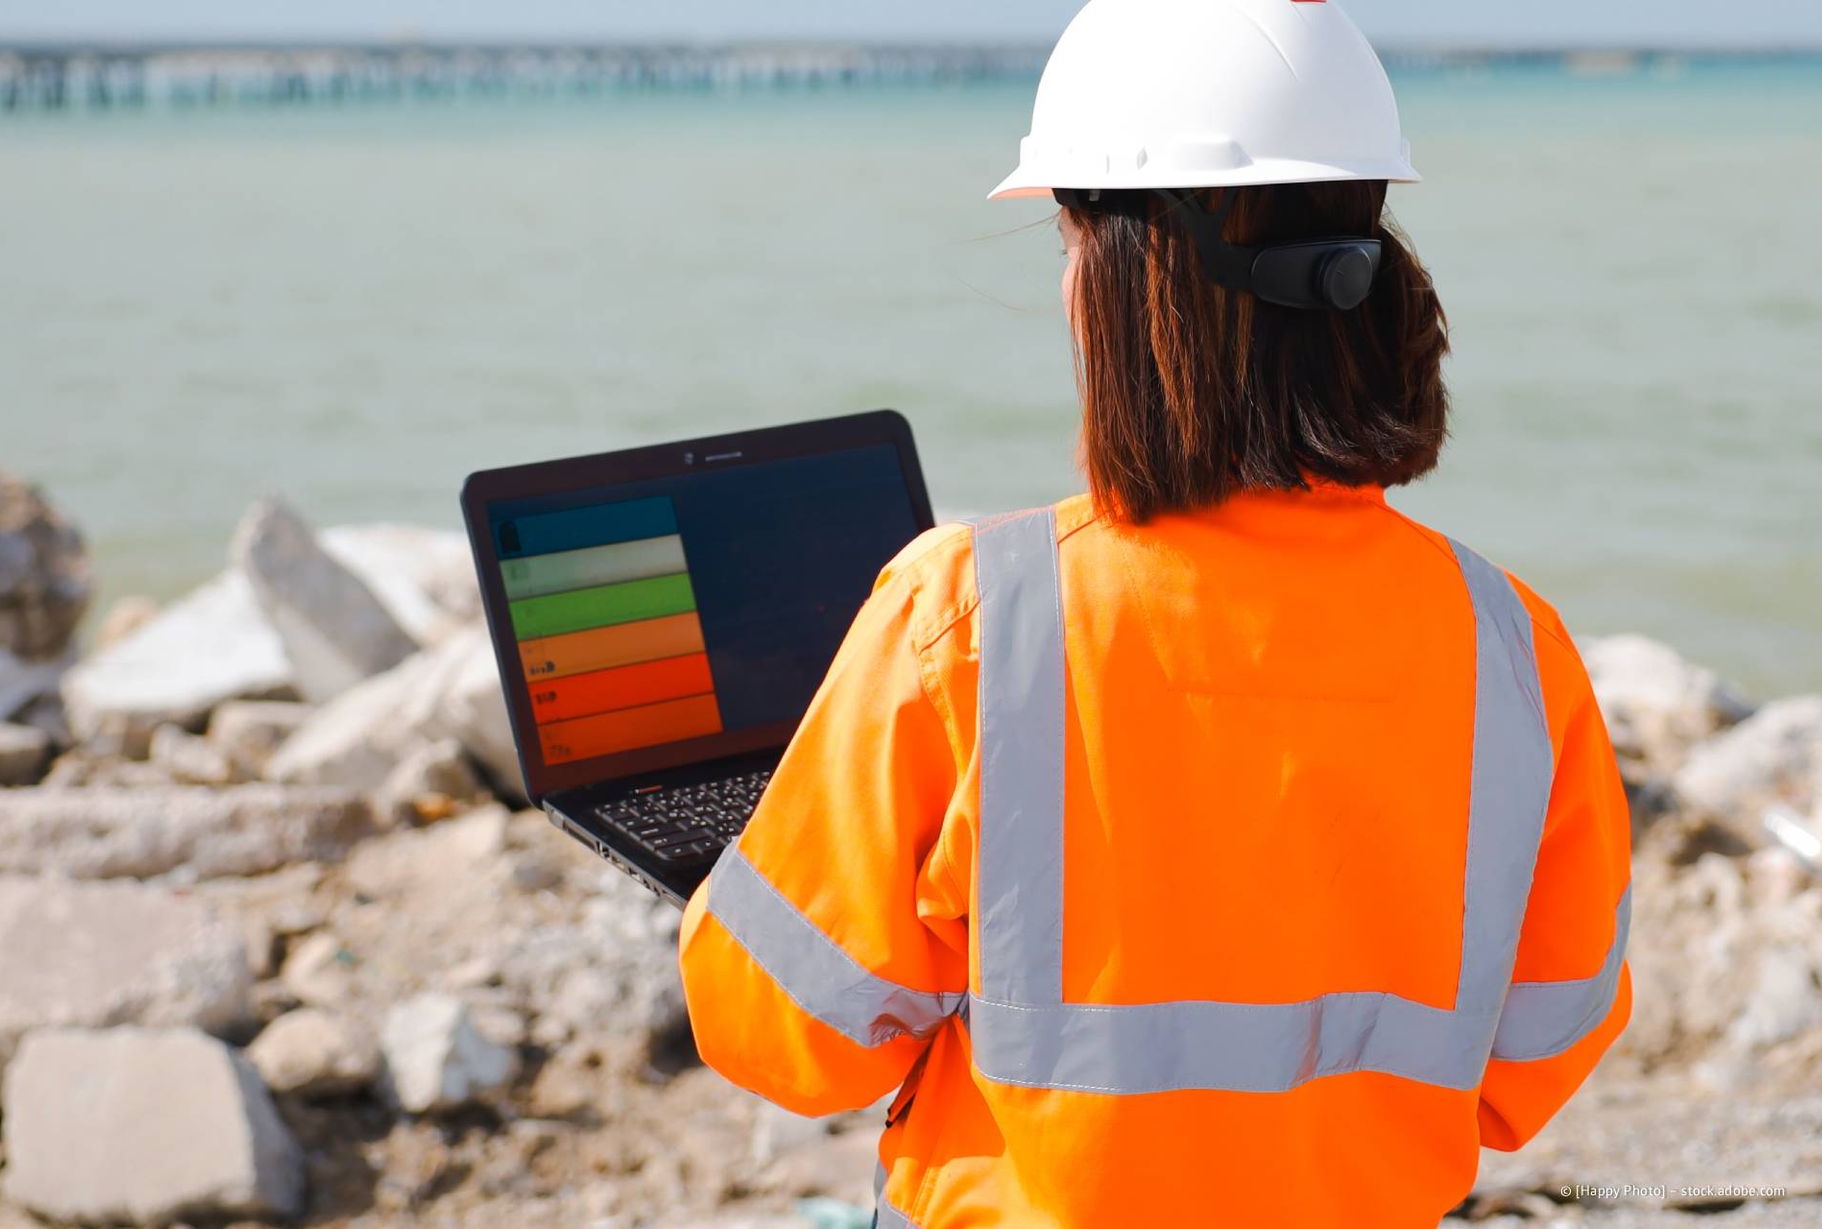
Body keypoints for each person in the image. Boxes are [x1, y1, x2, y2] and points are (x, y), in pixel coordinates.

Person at [677, 0, 1633, 1224]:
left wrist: (763, 855)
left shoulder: (967, 615)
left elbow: (788, 1039)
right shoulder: (1512, 644)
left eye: (1071, 243)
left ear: (1130, 288)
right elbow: (1543, 1043)